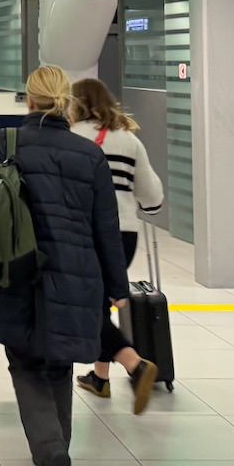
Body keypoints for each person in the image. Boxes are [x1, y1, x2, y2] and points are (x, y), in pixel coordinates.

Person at [0, 66, 128, 466]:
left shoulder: (6, 143)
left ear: (29, 100)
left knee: (24, 362)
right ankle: (56, 451)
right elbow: (107, 229)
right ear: (65, 103)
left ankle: (49, 449)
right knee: (59, 365)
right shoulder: (89, 155)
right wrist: (118, 290)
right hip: (78, 274)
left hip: (20, 272)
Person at [70, 78, 164, 409]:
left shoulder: (72, 137)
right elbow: (151, 195)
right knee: (99, 303)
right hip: (124, 235)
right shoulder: (129, 140)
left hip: (84, 233)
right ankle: (100, 378)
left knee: (86, 306)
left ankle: (135, 364)